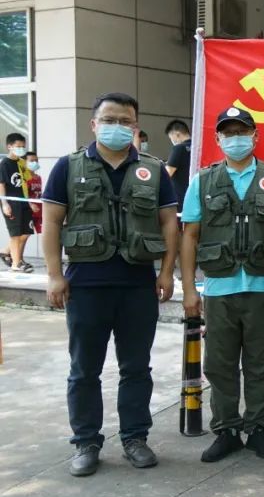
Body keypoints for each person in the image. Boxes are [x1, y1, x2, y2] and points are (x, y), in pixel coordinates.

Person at [41, 92, 179, 477]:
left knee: (136, 368)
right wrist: (53, 275)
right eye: (109, 119)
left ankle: (135, 438)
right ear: (94, 124)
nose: (117, 126)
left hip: (138, 286)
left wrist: (166, 272)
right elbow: (51, 222)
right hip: (86, 286)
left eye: (125, 121)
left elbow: (170, 224)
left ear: (135, 127)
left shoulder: (152, 169)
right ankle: (86, 442)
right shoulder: (68, 167)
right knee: (84, 369)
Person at [180, 107, 264, 463]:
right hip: (219, 289)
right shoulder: (203, 181)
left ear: (255, 136)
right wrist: (190, 289)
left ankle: (259, 430)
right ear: (218, 139)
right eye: (228, 133)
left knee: (261, 364)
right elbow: (189, 235)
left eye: (242, 132)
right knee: (219, 365)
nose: (235, 139)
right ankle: (226, 430)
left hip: (263, 287)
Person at [1, 133, 33, 272]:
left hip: (24, 201)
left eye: (23, 146)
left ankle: (9, 254)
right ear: (9, 146)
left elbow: (27, 180)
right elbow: (1, 184)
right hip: (12, 203)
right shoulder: (5, 164)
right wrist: (5, 203)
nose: (21, 149)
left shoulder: (21, 162)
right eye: (18, 146)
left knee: (26, 232)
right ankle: (16, 263)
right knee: (15, 234)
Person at [165, 119, 193, 211]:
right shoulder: (198, 147)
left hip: (180, 198)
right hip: (194, 196)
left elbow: (167, 174)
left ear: (177, 134)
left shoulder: (179, 148)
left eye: (171, 138)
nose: (172, 141)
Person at [25, 151, 42, 234]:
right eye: (31, 161)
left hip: (40, 211)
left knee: (43, 233)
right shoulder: (24, 178)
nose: (35, 163)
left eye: (36, 160)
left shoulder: (39, 178)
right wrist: (30, 205)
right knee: (24, 236)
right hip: (28, 211)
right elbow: (23, 194)